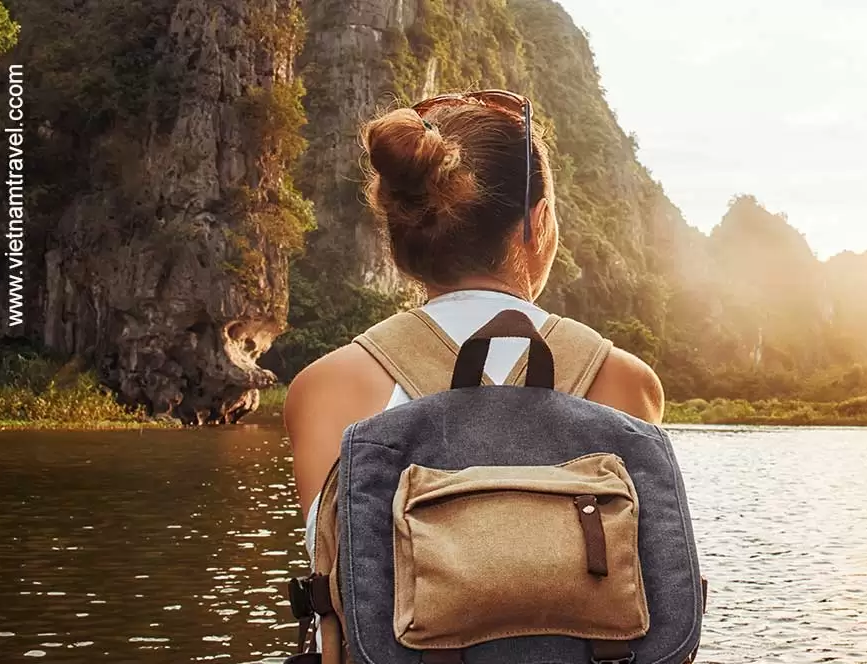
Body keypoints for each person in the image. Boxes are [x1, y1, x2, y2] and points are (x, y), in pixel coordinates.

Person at [284, 93, 663, 525]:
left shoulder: (324, 388)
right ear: (538, 225)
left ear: (398, 235)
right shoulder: (623, 381)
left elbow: (337, 576)